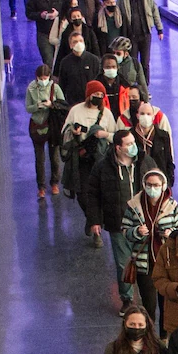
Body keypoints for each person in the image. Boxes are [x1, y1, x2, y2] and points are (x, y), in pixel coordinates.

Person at [122, 164, 178, 336]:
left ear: (163, 186)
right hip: (144, 264)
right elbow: (125, 230)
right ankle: (148, 337)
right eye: (148, 184)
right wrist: (136, 232)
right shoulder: (134, 205)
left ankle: (164, 337)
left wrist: (172, 234)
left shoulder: (172, 206)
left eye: (156, 185)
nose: (152, 188)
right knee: (148, 304)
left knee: (166, 303)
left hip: (166, 263)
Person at [88, 129, 142, 292]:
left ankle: (145, 298)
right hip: (117, 222)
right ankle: (127, 298)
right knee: (123, 262)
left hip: (142, 222)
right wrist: (95, 220)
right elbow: (93, 194)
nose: (134, 146)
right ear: (118, 147)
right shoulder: (103, 167)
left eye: (134, 142)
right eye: (129, 144)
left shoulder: (143, 162)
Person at [61, 82, 115, 241]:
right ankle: (92, 219)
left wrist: (104, 135)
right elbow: (64, 132)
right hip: (81, 159)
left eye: (101, 95)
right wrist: (73, 132)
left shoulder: (107, 114)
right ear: (88, 95)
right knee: (82, 194)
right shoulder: (75, 111)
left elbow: (115, 134)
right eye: (95, 95)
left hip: (99, 158)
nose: (98, 98)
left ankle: (95, 228)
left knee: (99, 193)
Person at [116, 0, 164, 86]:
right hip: (131, 34)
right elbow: (118, 13)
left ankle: (144, 86)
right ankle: (132, 85)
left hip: (145, 32)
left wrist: (159, 29)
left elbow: (154, 11)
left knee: (145, 62)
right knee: (132, 61)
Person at [25, 64, 65, 200]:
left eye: (46, 77)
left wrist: (51, 104)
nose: (43, 80)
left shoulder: (55, 88)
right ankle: (41, 186)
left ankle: (55, 182)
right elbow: (28, 108)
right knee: (39, 158)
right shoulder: (31, 89)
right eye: (41, 78)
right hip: (37, 125)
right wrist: (37, 106)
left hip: (52, 125)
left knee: (54, 156)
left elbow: (63, 104)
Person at [54, 31, 103, 108]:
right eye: (75, 42)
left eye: (81, 41)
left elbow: (99, 80)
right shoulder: (65, 62)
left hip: (91, 102)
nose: (78, 43)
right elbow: (62, 84)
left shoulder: (94, 60)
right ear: (70, 45)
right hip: (72, 103)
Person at [133, 102, 175, 188]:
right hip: (136, 182)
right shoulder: (130, 136)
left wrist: (169, 182)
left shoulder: (163, 136)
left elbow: (169, 161)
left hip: (159, 182)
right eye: (142, 113)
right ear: (137, 115)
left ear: (153, 116)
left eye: (148, 114)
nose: (145, 116)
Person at [25, 0, 62, 67]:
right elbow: (29, 13)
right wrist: (40, 15)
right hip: (43, 33)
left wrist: (58, 14)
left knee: (60, 60)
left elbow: (69, 11)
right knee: (48, 60)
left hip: (59, 32)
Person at [52, 7, 100, 72]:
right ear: (71, 19)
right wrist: (56, 71)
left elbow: (95, 48)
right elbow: (62, 52)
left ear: (82, 17)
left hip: (88, 62)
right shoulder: (66, 33)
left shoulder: (89, 31)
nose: (77, 18)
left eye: (78, 16)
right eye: (74, 17)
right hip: (71, 64)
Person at [99, 53, 130, 123]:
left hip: (122, 121)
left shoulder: (125, 86)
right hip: (103, 122)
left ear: (117, 68)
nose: (111, 69)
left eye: (113, 67)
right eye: (107, 67)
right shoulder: (96, 86)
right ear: (102, 68)